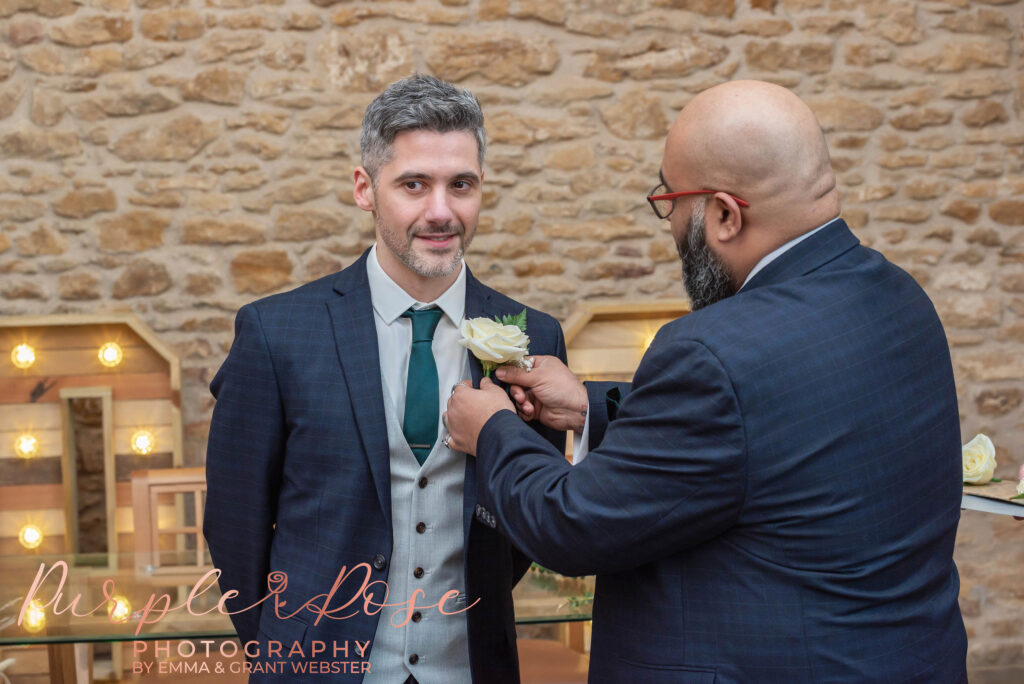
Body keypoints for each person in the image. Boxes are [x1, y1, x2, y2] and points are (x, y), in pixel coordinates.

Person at [444, 80, 967, 683]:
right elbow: (774, 428)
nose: (670, 224)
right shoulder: (901, 297)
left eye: (671, 200)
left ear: (724, 213)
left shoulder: (709, 351)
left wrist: (494, 432)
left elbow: (571, 527)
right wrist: (591, 406)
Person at [204, 74, 566, 684]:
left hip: (473, 666)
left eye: (462, 185)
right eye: (414, 185)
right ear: (364, 189)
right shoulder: (275, 333)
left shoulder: (535, 337)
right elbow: (235, 523)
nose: (441, 212)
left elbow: (530, 521)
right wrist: (284, 647)